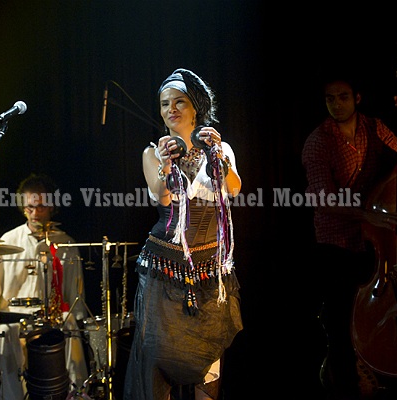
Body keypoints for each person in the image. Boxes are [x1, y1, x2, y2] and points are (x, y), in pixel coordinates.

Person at [301, 69, 397, 400]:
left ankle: (388, 375)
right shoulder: (318, 141)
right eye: (330, 99)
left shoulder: (374, 127)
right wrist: (367, 214)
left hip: (374, 239)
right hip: (336, 241)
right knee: (341, 323)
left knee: (382, 315)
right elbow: (322, 199)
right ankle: (346, 385)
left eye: (343, 97)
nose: (336, 104)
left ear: (357, 98)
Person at [123, 68, 243, 400]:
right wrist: (164, 165)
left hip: (209, 268)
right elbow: (163, 198)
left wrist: (219, 157)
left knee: (208, 352)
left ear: (195, 108)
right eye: (165, 104)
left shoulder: (219, 148)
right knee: (158, 357)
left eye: (179, 102)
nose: (171, 109)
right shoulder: (152, 153)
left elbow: (234, 189)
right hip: (165, 268)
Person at [0, 172, 88, 399]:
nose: (35, 213)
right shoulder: (8, 240)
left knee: (70, 329)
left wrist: (73, 319)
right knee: (7, 337)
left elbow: (76, 296)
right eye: (30, 208)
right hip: (14, 321)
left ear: (52, 206)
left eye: (41, 207)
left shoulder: (66, 244)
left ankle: (72, 392)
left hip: (51, 322)